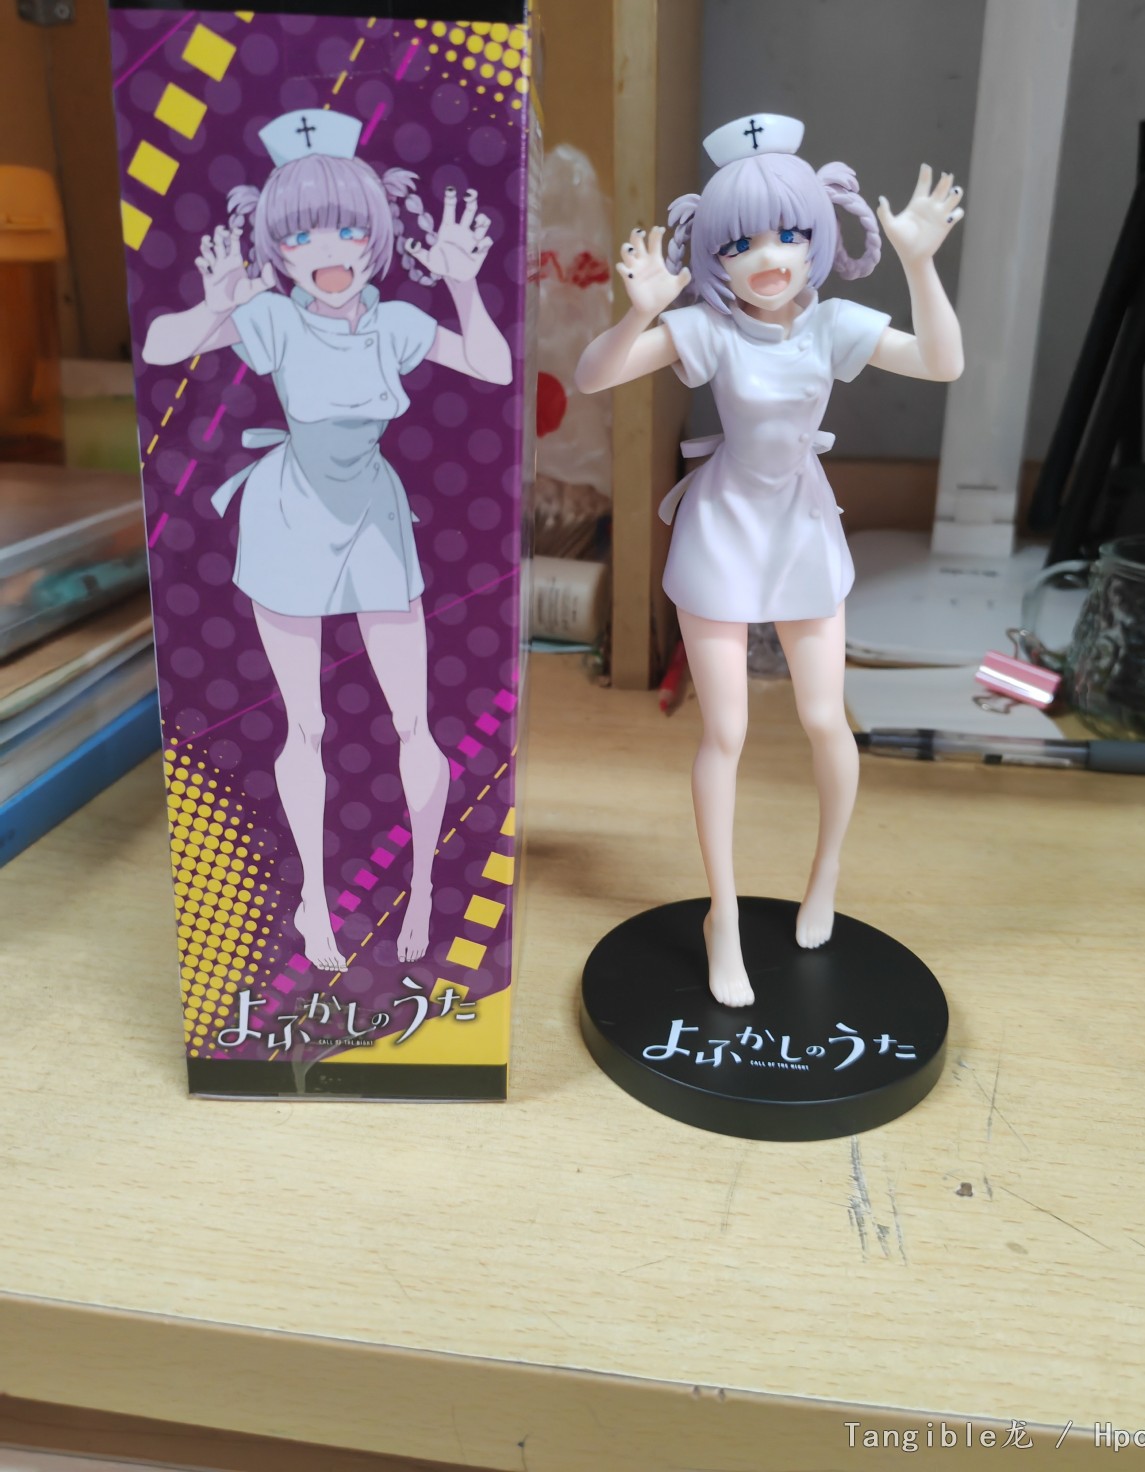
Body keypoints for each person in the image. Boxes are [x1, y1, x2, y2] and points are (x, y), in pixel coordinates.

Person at [575, 112, 964, 1007]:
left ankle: (825, 872)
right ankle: (722, 915)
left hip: (802, 529)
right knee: (727, 732)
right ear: (714, 253)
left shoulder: (832, 324)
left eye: (789, 233)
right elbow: (596, 376)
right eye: (741, 242)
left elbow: (942, 364)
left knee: (827, 718)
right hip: (721, 532)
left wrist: (918, 261)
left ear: (818, 234)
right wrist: (641, 310)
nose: (769, 257)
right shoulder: (710, 330)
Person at [143, 108, 512, 974]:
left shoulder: (396, 324)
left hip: (374, 516)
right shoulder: (273, 318)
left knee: (414, 719)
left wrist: (464, 286)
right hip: (288, 517)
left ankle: (423, 886)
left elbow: (493, 367)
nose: (328, 249)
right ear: (277, 249)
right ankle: (314, 900)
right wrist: (213, 304)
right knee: (303, 724)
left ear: (375, 235)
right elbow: (159, 349)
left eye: (347, 228)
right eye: (301, 234)